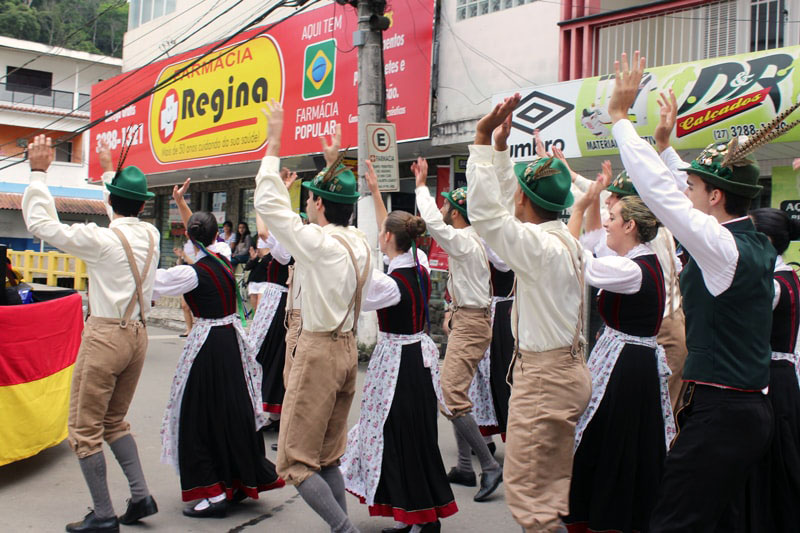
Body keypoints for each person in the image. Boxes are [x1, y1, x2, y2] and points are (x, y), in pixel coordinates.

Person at [608, 51, 781, 531]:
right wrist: (665, 146)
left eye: (695, 187)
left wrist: (622, 121)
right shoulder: (752, 243)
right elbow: (677, 190)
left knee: (674, 521)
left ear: (716, 197)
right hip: (743, 410)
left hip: (723, 414)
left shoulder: (723, 247)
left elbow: (666, 199)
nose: (686, 192)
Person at [466, 97, 592, 533]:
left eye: (517, 189)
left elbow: (486, 214)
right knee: (548, 494)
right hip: (563, 371)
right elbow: (502, 213)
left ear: (523, 198)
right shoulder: (562, 241)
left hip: (545, 380)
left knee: (532, 502)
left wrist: (483, 141)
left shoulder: (538, 249)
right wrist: (501, 151)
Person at [22, 136, 160, 532]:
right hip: (137, 335)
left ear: (113, 203)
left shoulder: (101, 241)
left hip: (105, 336)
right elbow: (118, 211)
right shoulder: (149, 235)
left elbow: (41, 224)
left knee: (84, 430)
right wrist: (106, 173)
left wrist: (38, 172)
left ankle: (103, 515)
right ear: (143, 204)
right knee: (115, 421)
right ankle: (140, 496)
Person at [255, 103, 371, 533]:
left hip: (319, 351)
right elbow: (326, 217)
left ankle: (345, 530)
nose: (307, 205)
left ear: (319, 205)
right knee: (328, 457)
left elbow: (269, 201)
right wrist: (334, 165)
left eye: (310, 200)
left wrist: (273, 140)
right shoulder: (359, 243)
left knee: (296, 463)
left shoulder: (318, 246)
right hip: (344, 351)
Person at [342, 165, 457, 532]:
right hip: (417, 360)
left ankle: (420, 515)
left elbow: (357, 288)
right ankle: (415, 514)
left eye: (381, 232)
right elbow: (394, 231)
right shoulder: (418, 263)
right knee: (413, 437)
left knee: (400, 436)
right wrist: (377, 194)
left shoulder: (391, 284)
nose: (379, 235)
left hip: (400, 365)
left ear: (389, 237)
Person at [156, 200, 284, 518]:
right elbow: (202, 236)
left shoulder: (191, 272)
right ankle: (238, 482)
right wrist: (185, 207)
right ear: (217, 236)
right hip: (231, 341)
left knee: (198, 416)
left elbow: (154, 282)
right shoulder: (224, 257)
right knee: (233, 412)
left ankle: (212, 492)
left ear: (189, 237)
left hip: (208, 345)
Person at [566, 185, 675, 532]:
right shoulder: (632, 262)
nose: (609, 224)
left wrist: (574, 217)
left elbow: (584, 265)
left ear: (630, 226)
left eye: (613, 218)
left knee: (611, 442)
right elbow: (595, 246)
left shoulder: (632, 270)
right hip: (624, 359)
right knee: (609, 440)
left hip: (627, 366)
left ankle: (606, 518)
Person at [414, 159, 502, 502]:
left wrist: (422, 185)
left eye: (448, 204)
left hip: (472, 324)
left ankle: (487, 465)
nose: (444, 208)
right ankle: (465, 466)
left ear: (455, 213)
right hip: (469, 320)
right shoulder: (471, 239)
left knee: (451, 396)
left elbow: (433, 224)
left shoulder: (465, 241)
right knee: (456, 394)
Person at [749, 208, 800, 532]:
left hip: (770, 381)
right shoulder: (789, 277)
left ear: (764, 242)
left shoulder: (773, 286)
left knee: (771, 466)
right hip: (782, 381)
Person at [243, 238, 271, 310]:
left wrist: (263, 256)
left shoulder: (271, 255)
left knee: (260, 307)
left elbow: (268, 267)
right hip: (253, 282)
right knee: (254, 308)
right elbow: (247, 267)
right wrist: (253, 259)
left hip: (264, 283)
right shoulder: (256, 254)